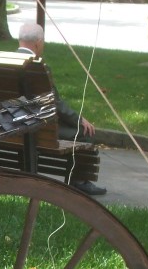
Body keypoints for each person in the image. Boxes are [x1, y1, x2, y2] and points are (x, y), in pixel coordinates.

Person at [16, 21, 107, 196]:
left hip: (7, 128)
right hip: (37, 130)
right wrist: (79, 121)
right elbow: (55, 105)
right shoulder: (39, 68)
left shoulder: (4, 62)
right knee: (84, 133)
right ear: (38, 43)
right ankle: (79, 181)